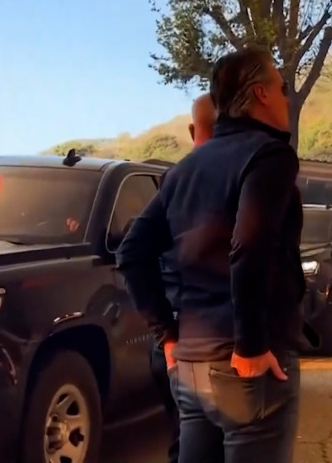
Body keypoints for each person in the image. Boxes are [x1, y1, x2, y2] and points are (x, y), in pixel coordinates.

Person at [117, 46, 306, 463]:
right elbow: (250, 245)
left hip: (191, 362)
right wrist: (252, 344)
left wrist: (167, 336)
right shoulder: (269, 155)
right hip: (244, 367)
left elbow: (131, 252)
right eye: (282, 87)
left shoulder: (183, 169)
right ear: (260, 93)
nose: (286, 98)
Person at [148, 93, 223, 463]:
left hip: (177, 339)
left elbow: (133, 253)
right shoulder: (236, 179)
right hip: (213, 339)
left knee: (185, 439)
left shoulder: (172, 180)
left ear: (194, 129)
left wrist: (165, 336)